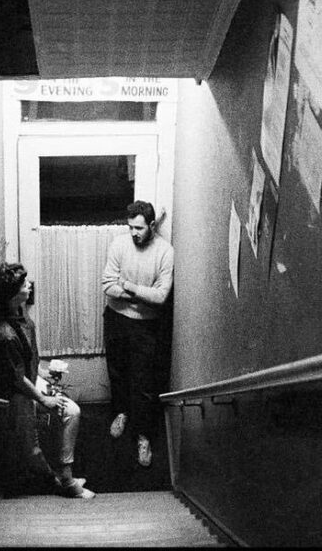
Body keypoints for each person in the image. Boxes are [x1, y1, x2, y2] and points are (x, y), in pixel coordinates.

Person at [0, 262, 95, 499]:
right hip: (16, 393)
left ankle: (64, 475)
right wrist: (43, 399)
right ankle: (62, 482)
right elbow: (16, 378)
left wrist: (45, 373)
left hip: (30, 380)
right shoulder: (4, 334)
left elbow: (27, 362)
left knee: (72, 411)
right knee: (31, 448)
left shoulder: (22, 315)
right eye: (24, 284)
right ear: (13, 295)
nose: (29, 285)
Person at [102, 200, 174, 468]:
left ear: (152, 226)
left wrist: (129, 286)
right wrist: (142, 294)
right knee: (117, 371)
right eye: (131, 227)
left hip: (147, 326)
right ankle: (121, 412)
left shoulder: (165, 252)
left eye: (140, 228)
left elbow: (161, 297)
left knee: (144, 383)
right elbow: (108, 285)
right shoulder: (119, 245)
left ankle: (143, 436)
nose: (134, 233)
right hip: (116, 320)